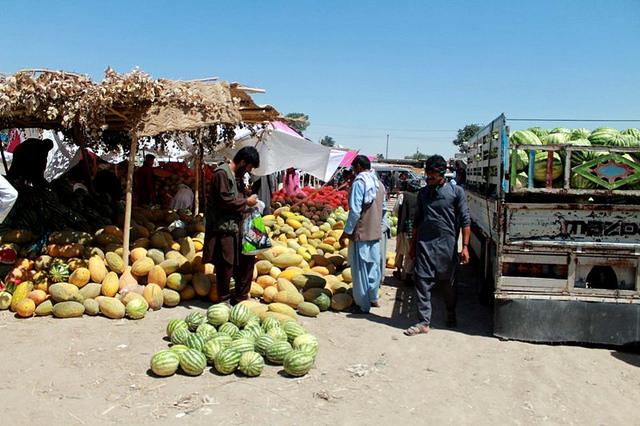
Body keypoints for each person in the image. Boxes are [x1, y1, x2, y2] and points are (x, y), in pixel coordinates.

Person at [404, 155, 470, 336]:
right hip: (424, 245)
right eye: (427, 173)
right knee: (422, 280)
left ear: (442, 173)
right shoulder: (423, 194)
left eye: (432, 174)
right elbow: (417, 222)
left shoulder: (456, 193)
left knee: (447, 283)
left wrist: (464, 246)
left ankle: (450, 312)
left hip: (447, 246)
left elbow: (465, 221)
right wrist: (412, 245)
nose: (428, 177)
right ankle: (424, 322)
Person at [203, 147, 260, 305]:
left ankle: (241, 296)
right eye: (248, 167)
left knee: (247, 260)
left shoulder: (238, 176)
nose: (248, 171)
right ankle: (224, 299)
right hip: (223, 228)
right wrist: (246, 202)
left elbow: (235, 195)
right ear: (242, 162)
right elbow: (224, 200)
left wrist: (246, 195)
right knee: (225, 264)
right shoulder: (222, 173)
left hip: (238, 225)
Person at [339, 155, 386, 314]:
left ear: (358, 166)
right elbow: (384, 209)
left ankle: (362, 304)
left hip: (361, 233)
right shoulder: (378, 184)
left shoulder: (360, 183)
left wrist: (345, 233)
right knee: (373, 267)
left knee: (360, 270)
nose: (353, 171)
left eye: (353, 168)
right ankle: (374, 298)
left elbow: (355, 212)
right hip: (375, 233)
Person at [393, 180, 420, 283]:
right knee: (410, 251)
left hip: (402, 227)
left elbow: (395, 211)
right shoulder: (420, 197)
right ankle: (408, 274)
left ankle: (399, 271)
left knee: (400, 250)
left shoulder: (402, 196)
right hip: (414, 228)